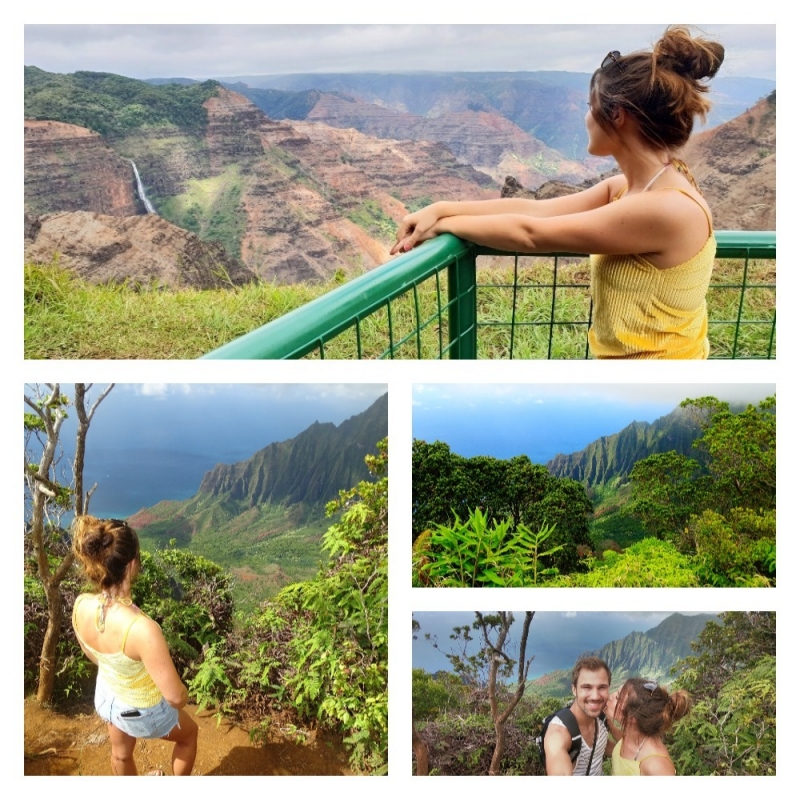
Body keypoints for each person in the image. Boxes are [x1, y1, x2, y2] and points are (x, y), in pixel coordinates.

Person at [391, 26, 725, 360]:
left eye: (589, 106)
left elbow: (530, 234)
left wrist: (447, 226)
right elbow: (536, 210)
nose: (585, 118)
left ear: (617, 116)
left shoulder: (664, 208)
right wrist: (440, 209)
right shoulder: (631, 187)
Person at [71, 515, 198, 776]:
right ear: (131, 566)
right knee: (189, 736)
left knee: (120, 753)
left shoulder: (81, 605)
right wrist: (185, 694)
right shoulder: (141, 629)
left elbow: (93, 654)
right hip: (143, 711)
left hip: (107, 699)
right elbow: (175, 697)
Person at [605, 678, 692, 775]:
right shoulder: (632, 735)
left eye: (617, 698)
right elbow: (621, 750)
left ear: (632, 717)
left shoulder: (656, 766)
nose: (609, 697)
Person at [543, 656, 612, 775]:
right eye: (587, 687)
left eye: (602, 687)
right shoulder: (558, 734)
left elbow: (611, 746)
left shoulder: (602, 718)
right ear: (574, 690)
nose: (595, 696)